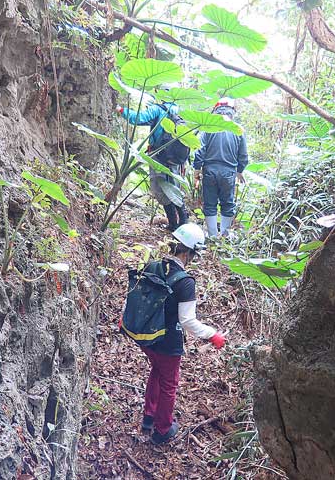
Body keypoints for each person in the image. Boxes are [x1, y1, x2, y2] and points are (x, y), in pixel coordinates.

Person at [138, 223, 226, 444]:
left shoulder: (153, 265)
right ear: (187, 252)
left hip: (147, 336)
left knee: (157, 371)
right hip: (167, 342)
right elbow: (187, 320)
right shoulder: (185, 282)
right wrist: (212, 335)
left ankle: (149, 416)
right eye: (194, 255)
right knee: (169, 383)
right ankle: (162, 430)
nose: (193, 259)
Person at [116, 99, 190, 231]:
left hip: (158, 155)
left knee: (159, 188)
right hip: (174, 158)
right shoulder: (179, 112)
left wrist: (121, 110)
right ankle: (183, 222)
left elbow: (138, 118)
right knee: (174, 187)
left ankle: (173, 223)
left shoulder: (158, 109)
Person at [193, 98, 249, 237]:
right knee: (227, 204)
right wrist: (240, 171)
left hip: (210, 171)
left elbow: (200, 150)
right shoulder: (238, 130)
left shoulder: (208, 127)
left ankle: (212, 236)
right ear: (232, 111)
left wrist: (197, 169)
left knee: (210, 204)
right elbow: (243, 155)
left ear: (216, 110)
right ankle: (224, 236)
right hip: (228, 173)